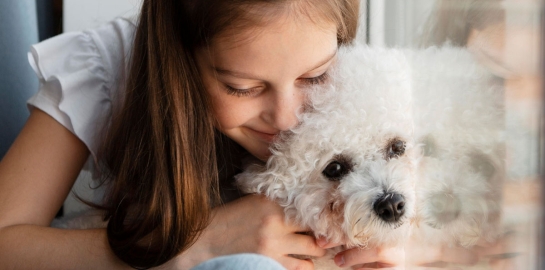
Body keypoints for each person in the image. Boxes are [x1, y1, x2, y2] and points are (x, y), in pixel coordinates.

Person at [0, 0, 405, 269]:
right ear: (181, 58)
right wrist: (196, 244)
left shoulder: (362, 92)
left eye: (315, 76)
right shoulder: (106, 69)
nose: (287, 118)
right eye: (242, 87)